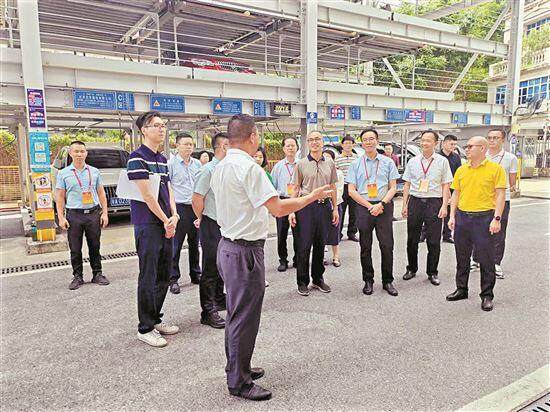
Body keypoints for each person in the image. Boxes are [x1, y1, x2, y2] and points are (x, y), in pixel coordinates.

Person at [211, 114, 332, 401]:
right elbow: (277, 207)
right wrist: (311, 197)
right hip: (244, 252)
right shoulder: (249, 169)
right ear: (252, 137)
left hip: (227, 246)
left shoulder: (221, 166)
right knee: (245, 317)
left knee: (236, 314)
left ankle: (237, 366)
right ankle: (239, 382)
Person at [127, 111, 180, 347]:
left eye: (163, 125)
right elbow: (147, 195)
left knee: (164, 273)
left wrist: (174, 214)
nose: (162, 129)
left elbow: (168, 190)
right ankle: (145, 327)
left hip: (166, 222)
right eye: (157, 125)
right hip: (147, 224)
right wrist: (165, 220)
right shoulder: (136, 158)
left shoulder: (163, 159)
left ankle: (155, 317)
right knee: (147, 275)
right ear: (144, 130)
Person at [446, 136, 506, 312]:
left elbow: (500, 195)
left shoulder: (495, 169)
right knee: (461, 256)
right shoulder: (461, 170)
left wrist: (497, 218)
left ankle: (486, 295)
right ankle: (461, 289)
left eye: (470, 146)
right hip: (463, 217)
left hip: (484, 218)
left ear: (482, 148)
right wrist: (452, 216)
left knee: (486, 258)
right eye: (467, 146)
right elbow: (455, 194)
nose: (467, 149)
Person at [346, 128, 400, 296]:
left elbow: (393, 187)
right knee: (365, 246)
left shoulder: (388, 162)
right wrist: (369, 206)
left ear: (377, 141)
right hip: (364, 207)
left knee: (387, 245)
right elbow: (351, 190)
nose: (368, 142)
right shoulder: (355, 164)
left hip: (384, 206)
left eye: (371, 139)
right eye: (365, 139)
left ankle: (388, 281)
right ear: (361, 142)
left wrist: (381, 203)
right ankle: (368, 280)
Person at [55, 140, 110, 290]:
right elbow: (59, 196)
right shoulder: (63, 173)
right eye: (76, 151)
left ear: (86, 153)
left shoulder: (94, 171)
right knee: (75, 248)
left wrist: (104, 213)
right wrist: (61, 217)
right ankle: (77, 276)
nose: (79, 154)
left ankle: (97, 273)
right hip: (74, 215)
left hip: (93, 213)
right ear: (70, 153)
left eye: (82, 151)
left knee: (95, 245)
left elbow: (101, 193)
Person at [290, 131, 339, 296]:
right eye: (311, 140)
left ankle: (318, 279)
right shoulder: (301, 164)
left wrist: (335, 208)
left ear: (322, 141)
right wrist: (291, 210)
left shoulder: (330, 163)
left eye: (317, 139)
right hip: (306, 207)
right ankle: (302, 282)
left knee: (320, 244)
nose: (314, 142)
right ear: (308, 143)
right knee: (304, 246)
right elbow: (296, 188)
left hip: (324, 207)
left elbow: (333, 187)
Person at [401, 130, 453, 286]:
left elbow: (446, 185)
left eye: (428, 140)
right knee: (412, 239)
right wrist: (404, 205)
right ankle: (411, 268)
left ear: (435, 143)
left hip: (434, 202)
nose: (424, 143)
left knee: (434, 240)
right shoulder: (413, 161)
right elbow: (407, 184)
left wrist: (444, 205)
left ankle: (432, 272)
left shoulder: (442, 161)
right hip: (415, 202)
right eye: (422, 140)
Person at [192, 133, 229, 329]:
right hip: (211, 223)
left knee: (222, 263)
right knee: (210, 267)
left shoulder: (227, 169)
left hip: (225, 224)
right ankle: (207, 310)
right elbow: (197, 198)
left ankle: (219, 298)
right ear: (223, 147)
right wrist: (202, 218)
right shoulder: (207, 170)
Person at [470, 129, 518, 279]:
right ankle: (476, 260)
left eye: (495, 138)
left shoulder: (510, 158)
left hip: (501, 200)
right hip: (482, 200)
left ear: (502, 140)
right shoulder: (481, 156)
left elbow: (511, 181)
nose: (492, 140)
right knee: (478, 231)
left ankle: (496, 262)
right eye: (489, 138)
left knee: (498, 232)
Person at [168, 133, 202, 293]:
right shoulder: (171, 165)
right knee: (175, 245)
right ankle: (173, 278)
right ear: (177, 146)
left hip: (195, 208)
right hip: (179, 209)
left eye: (191, 144)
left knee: (195, 244)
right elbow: (168, 190)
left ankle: (196, 273)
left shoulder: (197, 165)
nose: (189, 147)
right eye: (186, 144)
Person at [271, 136, 299, 272]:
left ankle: (297, 259)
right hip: (282, 202)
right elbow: (273, 187)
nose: (290, 148)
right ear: (283, 148)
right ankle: (283, 260)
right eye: (288, 146)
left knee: (298, 233)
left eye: (293, 145)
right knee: (281, 233)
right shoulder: (278, 167)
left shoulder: (302, 164)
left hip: (298, 202)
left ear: (297, 147)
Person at [335, 135, 359, 242]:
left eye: (350, 143)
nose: (348, 145)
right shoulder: (337, 158)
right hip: (342, 187)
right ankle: (338, 233)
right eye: (346, 143)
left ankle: (352, 233)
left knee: (354, 212)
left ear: (353, 144)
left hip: (354, 187)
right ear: (342, 145)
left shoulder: (357, 158)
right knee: (341, 211)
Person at [439, 134, 462, 243]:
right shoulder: (438, 157)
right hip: (438, 187)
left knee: (450, 211)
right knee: (435, 211)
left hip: (452, 187)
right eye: (451, 144)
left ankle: (447, 235)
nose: (453, 146)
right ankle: (424, 233)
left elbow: (459, 173)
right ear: (444, 143)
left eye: (455, 144)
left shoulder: (456, 157)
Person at [323, 149, 344, 267]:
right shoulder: (319, 172)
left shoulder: (339, 173)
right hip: (322, 205)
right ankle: (323, 256)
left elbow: (339, 190)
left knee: (335, 230)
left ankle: (336, 256)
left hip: (335, 205)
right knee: (322, 231)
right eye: (324, 157)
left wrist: (333, 202)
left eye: (328, 157)